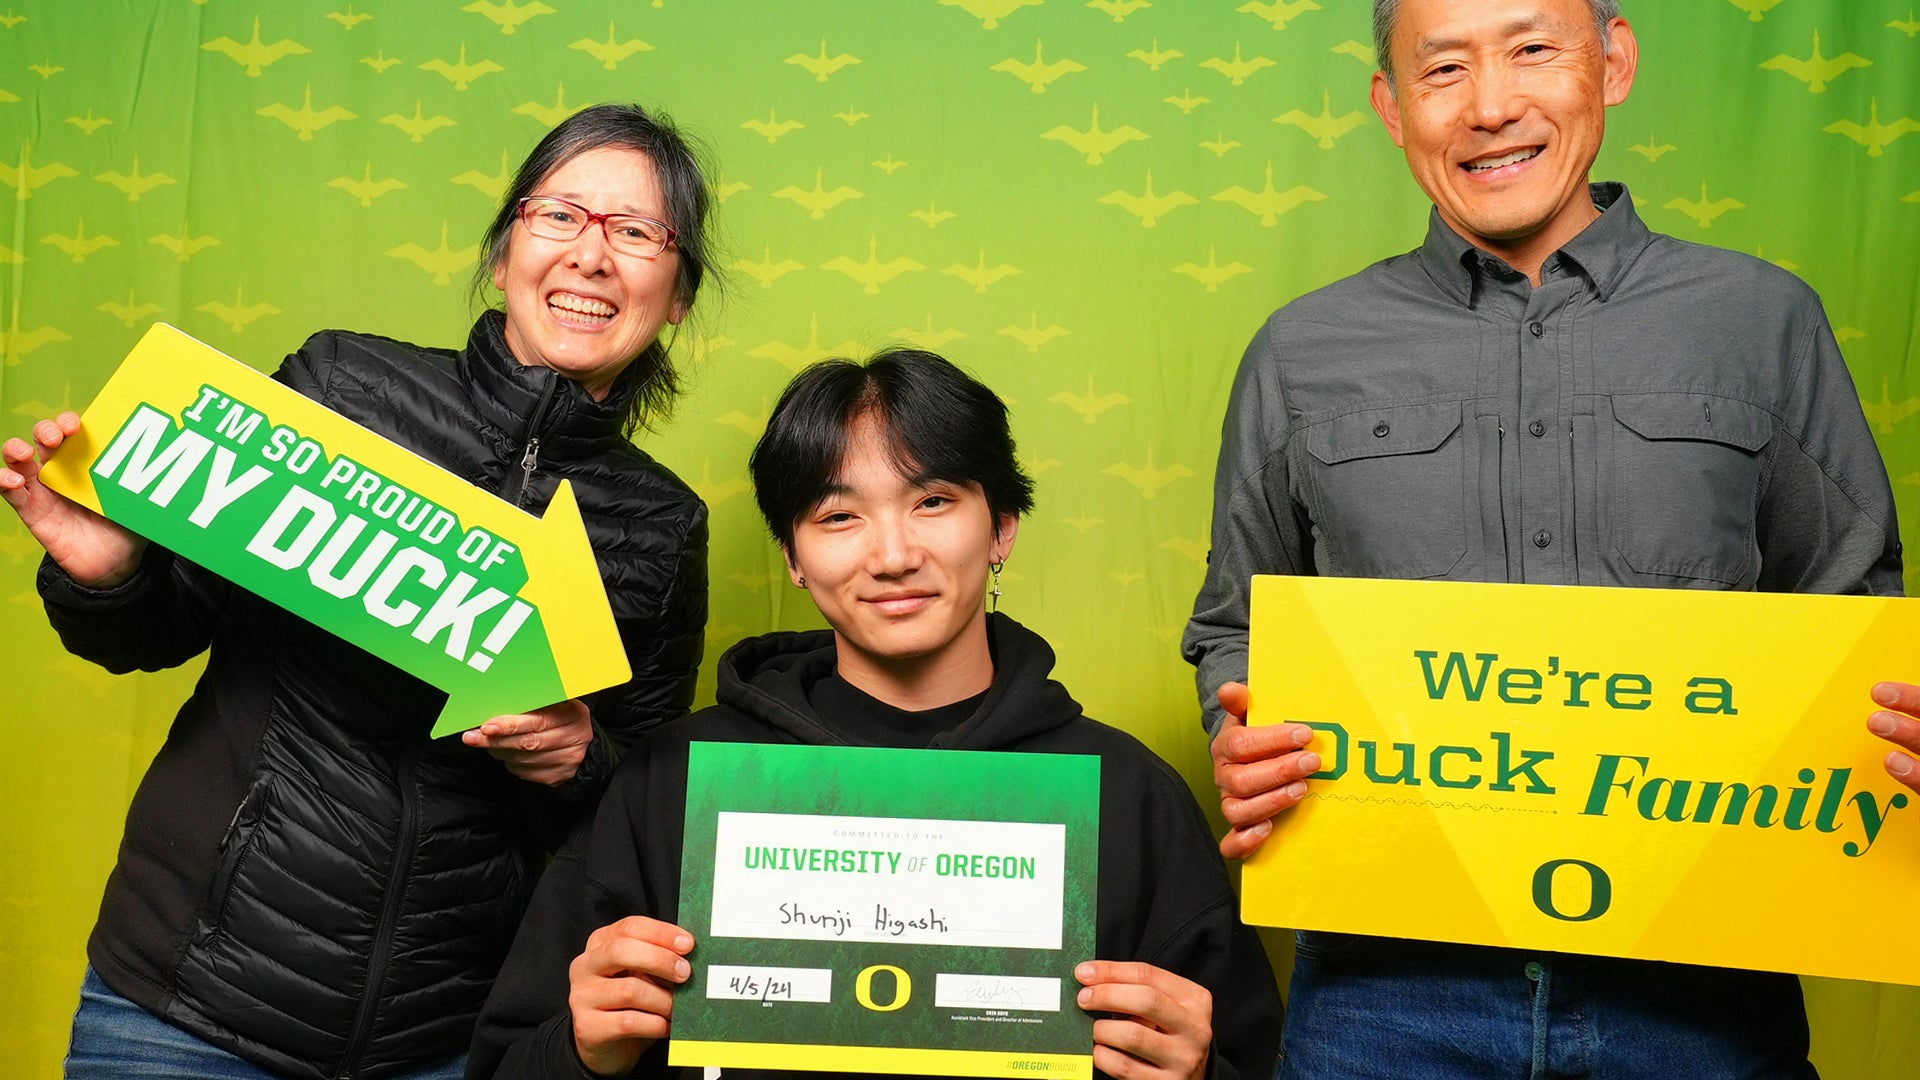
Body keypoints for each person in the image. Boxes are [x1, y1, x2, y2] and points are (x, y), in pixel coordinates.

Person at [1182, 1, 1908, 1077]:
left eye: (1531, 50)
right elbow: (1235, 625)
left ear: (1613, 64)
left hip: (1703, 997)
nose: (1490, 106)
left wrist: (1888, 725)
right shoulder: (1302, 351)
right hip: (1384, 998)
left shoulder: (1762, 322)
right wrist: (1241, 732)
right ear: (1391, 107)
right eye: (1443, 70)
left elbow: (1853, 608)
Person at [1, 103, 716, 1079]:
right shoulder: (340, 386)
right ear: (503, 253)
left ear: (678, 295)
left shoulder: (664, 527)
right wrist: (112, 573)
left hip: (441, 1039)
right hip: (180, 1012)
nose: (590, 256)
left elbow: (636, 815)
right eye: (559, 215)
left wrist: (581, 759)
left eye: (636, 232)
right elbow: (157, 630)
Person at [467, 349, 1284, 1080]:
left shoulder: (1127, 793)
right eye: (838, 516)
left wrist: (1198, 1073)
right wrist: (582, 1053)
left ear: (1001, 527)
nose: (893, 556)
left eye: (933, 501)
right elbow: (508, 1061)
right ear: (793, 557)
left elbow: (1248, 1055)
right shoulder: (672, 781)